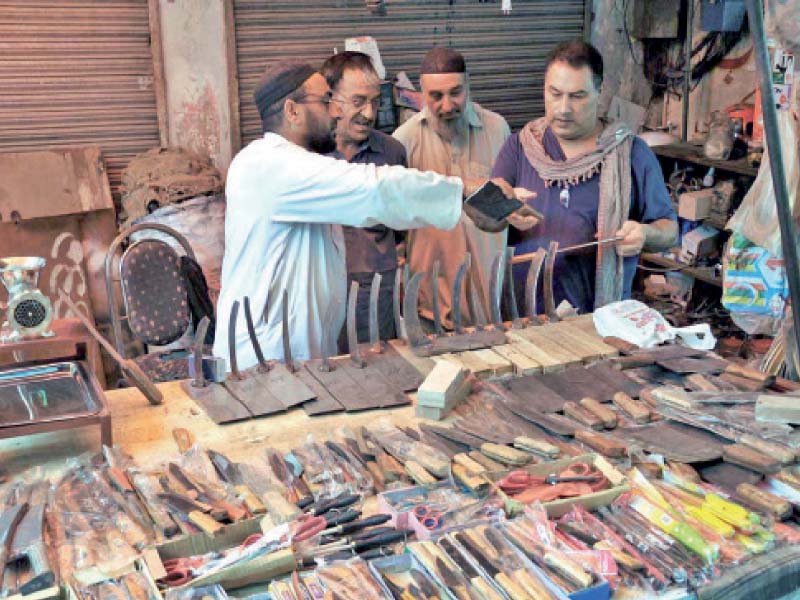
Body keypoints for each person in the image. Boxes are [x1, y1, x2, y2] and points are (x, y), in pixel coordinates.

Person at [214, 60, 536, 370]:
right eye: (327, 101)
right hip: (264, 359)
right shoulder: (269, 165)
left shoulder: (299, 165)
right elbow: (373, 189)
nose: (336, 111)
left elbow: (376, 203)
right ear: (292, 110)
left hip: (296, 356)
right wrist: (465, 189)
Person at [491, 40, 678, 314]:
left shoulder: (630, 153)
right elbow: (487, 209)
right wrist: (501, 206)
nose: (563, 108)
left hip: (598, 315)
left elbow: (670, 230)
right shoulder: (521, 146)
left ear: (599, 93)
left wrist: (645, 233)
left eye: (577, 96)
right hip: (523, 312)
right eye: (555, 94)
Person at [393, 47, 529, 327]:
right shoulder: (404, 141)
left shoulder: (497, 129)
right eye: (436, 96)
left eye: (456, 92)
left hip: (488, 301)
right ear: (422, 92)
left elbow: (510, 205)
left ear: (468, 85)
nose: (447, 105)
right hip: (428, 306)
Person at [320, 51, 406, 350]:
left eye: (375, 101)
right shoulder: (307, 157)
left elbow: (400, 228)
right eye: (358, 102)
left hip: (377, 289)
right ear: (331, 101)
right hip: (323, 288)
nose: (369, 114)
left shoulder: (392, 152)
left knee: (381, 369)